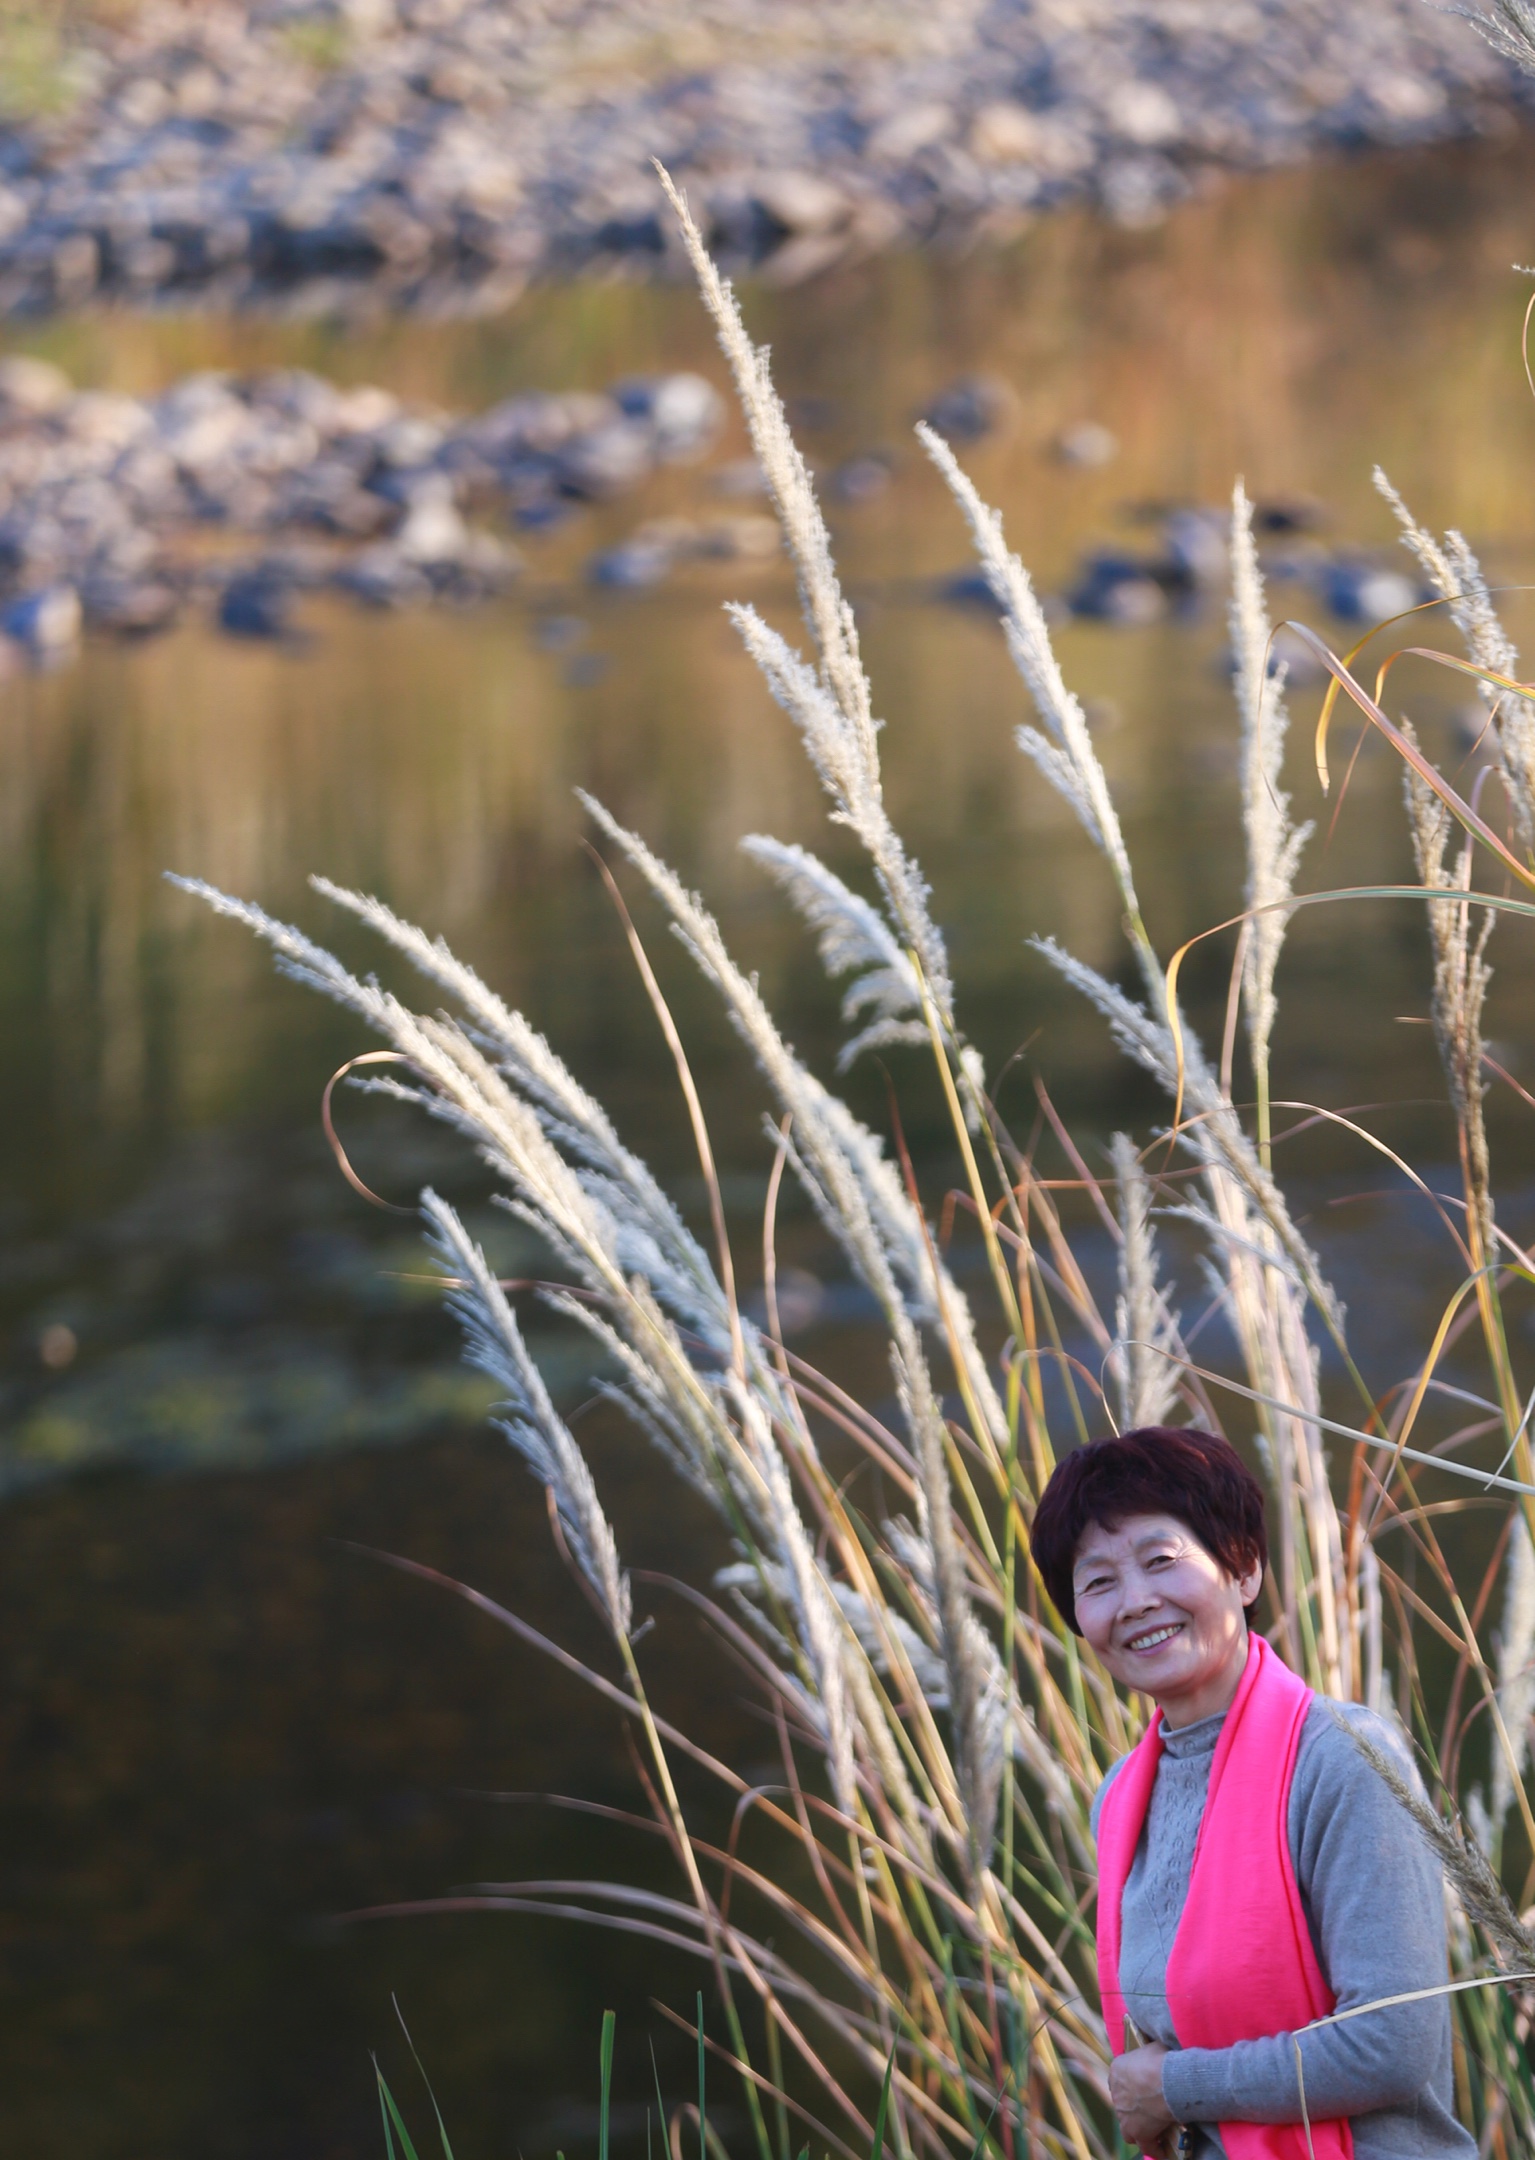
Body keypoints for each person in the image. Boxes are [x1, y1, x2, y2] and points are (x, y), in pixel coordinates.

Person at [1030, 1424, 1476, 2160]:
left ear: (1242, 1571)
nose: (1135, 1601)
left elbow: (1392, 2044)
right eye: (1098, 1581)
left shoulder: (1344, 1759)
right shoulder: (1120, 1799)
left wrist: (1173, 2088)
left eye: (1160, 1560)